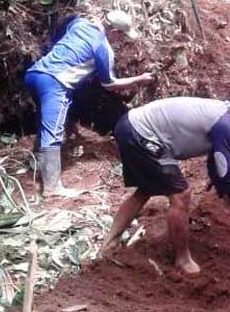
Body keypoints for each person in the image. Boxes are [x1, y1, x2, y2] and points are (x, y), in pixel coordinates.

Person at [100, 89, 230, 274]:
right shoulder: (224, 125)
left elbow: (217, 167)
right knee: (181, 195)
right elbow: (228, 175)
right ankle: (182, 260)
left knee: (145, 190)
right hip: (140, 133)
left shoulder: (221, 116)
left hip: (133, 127)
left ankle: (108, 244)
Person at [24, 11, 154, 197]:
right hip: (55, 82)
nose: (119, 40)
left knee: (47, 122)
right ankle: (52, 188)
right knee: (53, 132)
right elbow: (109, 84)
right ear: (115, 32)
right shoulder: (102, 47)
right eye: (121, 35)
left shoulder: (80, 24)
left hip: (35, 74)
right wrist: (138, 80)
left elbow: (69, 25)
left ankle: (38, 160)